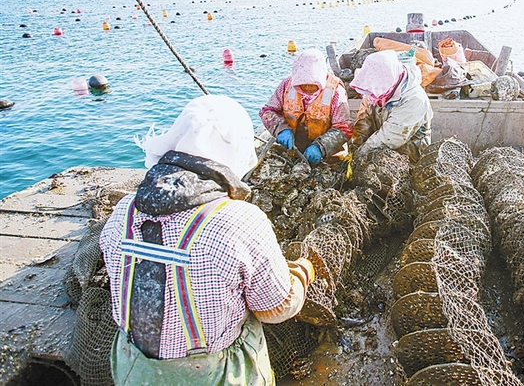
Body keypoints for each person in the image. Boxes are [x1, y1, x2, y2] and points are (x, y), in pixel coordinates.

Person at [99, 95, 314, 385]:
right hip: (214, 374)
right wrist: (302, 272)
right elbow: (275, 308)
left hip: (135, 371)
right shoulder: (240, 219)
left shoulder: (123, 210)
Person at [259, 48, 352, 165]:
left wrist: (321, 147)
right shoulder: (287, 85)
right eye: (303, 84)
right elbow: (267, 111)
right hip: (291, 151)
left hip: (328, 156)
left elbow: (344, 128)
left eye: (312, 84)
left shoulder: (335, 91)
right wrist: (281, 129)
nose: (307, 88)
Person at [349, 49, 433, 163]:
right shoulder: (373, 89)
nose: (371, 96)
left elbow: (390, 137)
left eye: (374, 92)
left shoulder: (414, 99)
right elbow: (364, 121)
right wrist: (354, 148)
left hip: (410, 152)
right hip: (379, 146)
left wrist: (360, 154)